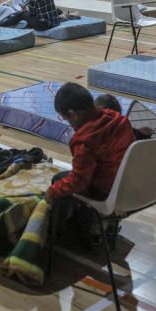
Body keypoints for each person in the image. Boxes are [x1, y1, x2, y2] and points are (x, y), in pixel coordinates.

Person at [46, 83, 137, 248]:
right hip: (133, 185)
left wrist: (51, 193)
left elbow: (79, 181)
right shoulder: (119, 119)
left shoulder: (85, 139)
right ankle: (99, 224)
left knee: (59, 181)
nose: (67, 122)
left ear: (73, 114)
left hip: (109, 193)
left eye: (65, 118)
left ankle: (63, 234)